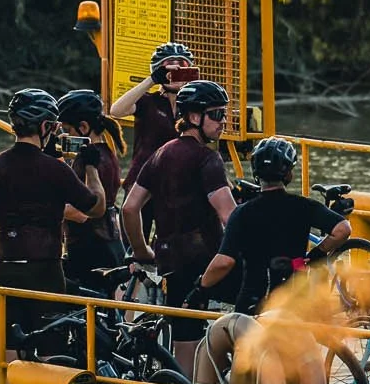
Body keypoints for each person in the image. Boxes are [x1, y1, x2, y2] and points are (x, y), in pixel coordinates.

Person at [0, 87, 103, 353]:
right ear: (47, 125)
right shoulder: (55, 169)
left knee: (9, 348)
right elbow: (95, 208)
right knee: (51, 347)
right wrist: (91, 167)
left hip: (6, 262)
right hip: (44, 266)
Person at [203, 136, 350, 313]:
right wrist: (314, 256)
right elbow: (343, 229)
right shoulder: (304, 206)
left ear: (256, 173)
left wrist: (199, 289)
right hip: (293, 303)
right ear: (288, 174)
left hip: (252, 305)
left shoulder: (241, 213)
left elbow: (224, 262)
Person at [143, 78, 237, 309]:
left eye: (224, 114)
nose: (223, 121)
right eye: (216, 115)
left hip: (168, 258)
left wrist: (140, 251)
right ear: (194, 117)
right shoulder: (207, 158)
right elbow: (231, 218)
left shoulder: (161, 153)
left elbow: (129, 207)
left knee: (184, 331)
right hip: (204, 261)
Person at [114, 40, 198, 263]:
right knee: (131, 248)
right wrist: (152, 80)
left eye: (183, 67)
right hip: (141, 181)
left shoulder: (194, 107)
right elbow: (116, 110)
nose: (177, 73)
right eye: (170, 69)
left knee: (171, 245)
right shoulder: (148, 102)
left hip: (176, 185)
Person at [55, 86, 128, 291]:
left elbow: (82, 212)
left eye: (67, 130)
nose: (64, 135)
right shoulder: (104, 153)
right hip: (108, 242)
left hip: (91, 248)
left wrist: (40, 206)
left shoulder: (91, 161)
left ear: (84, 128)